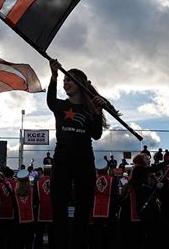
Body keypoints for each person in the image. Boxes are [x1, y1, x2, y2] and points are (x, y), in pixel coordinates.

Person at [47, 59, 106, 249]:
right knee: (58, 206)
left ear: (80, 83)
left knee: (84, 207)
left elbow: (96, 134)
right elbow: (50, 100)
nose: (65, 83)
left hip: (84, 160)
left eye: (69, 80)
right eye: (64, 80)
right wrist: (54, 76)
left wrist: (97, 112)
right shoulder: (60, 106)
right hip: (62, 159)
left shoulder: (89, 110)